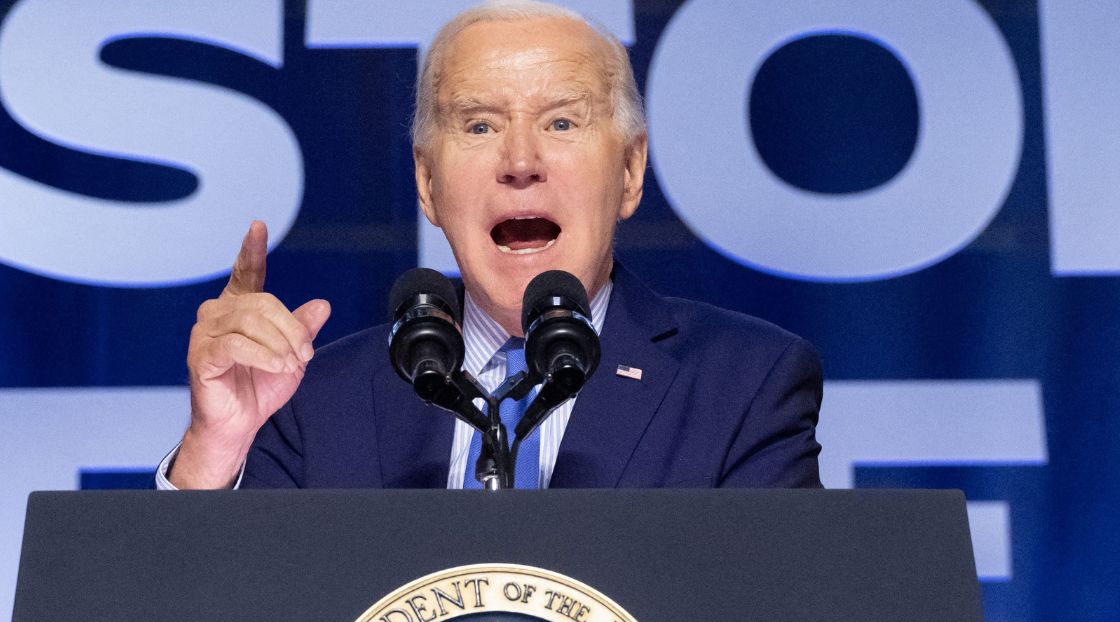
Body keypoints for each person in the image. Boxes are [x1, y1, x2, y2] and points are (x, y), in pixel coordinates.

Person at [159, 0, 822, 490]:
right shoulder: (309, 403)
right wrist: (214, 450)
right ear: (426, 182)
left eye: (561, 121)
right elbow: (203, 608)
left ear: (630, 172)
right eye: (479, 125)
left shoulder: (744, 387)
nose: (521, 160)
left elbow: (778, 604)